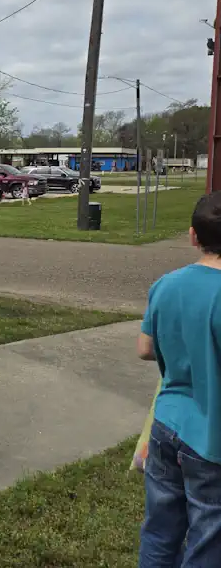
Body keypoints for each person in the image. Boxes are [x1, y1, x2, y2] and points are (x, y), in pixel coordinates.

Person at [138, 192, 221, 567]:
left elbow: (144, 348)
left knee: (159, 530)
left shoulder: (166, 285)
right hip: (211, 437)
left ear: (193, 236)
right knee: (208, 538)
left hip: (166, 424)